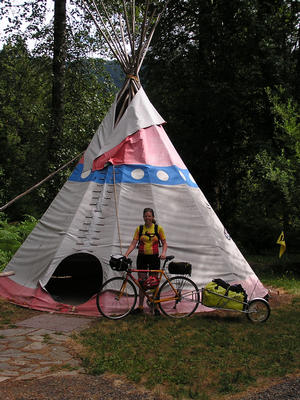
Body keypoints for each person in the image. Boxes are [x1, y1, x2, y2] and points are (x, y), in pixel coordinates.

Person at [124, 207, 167, 315]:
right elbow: (133, 243)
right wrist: (126, 254)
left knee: (154, 282)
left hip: (154, 258)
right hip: (142, 257)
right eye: (145, 216)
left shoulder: (158, 229)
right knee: (142, 283)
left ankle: (155, 307)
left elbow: (165, 243)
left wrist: (163, 253)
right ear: (143, 217)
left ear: (152, 217)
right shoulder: (140, 229)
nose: (147, 218)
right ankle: (140, 306)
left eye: (149, 216)